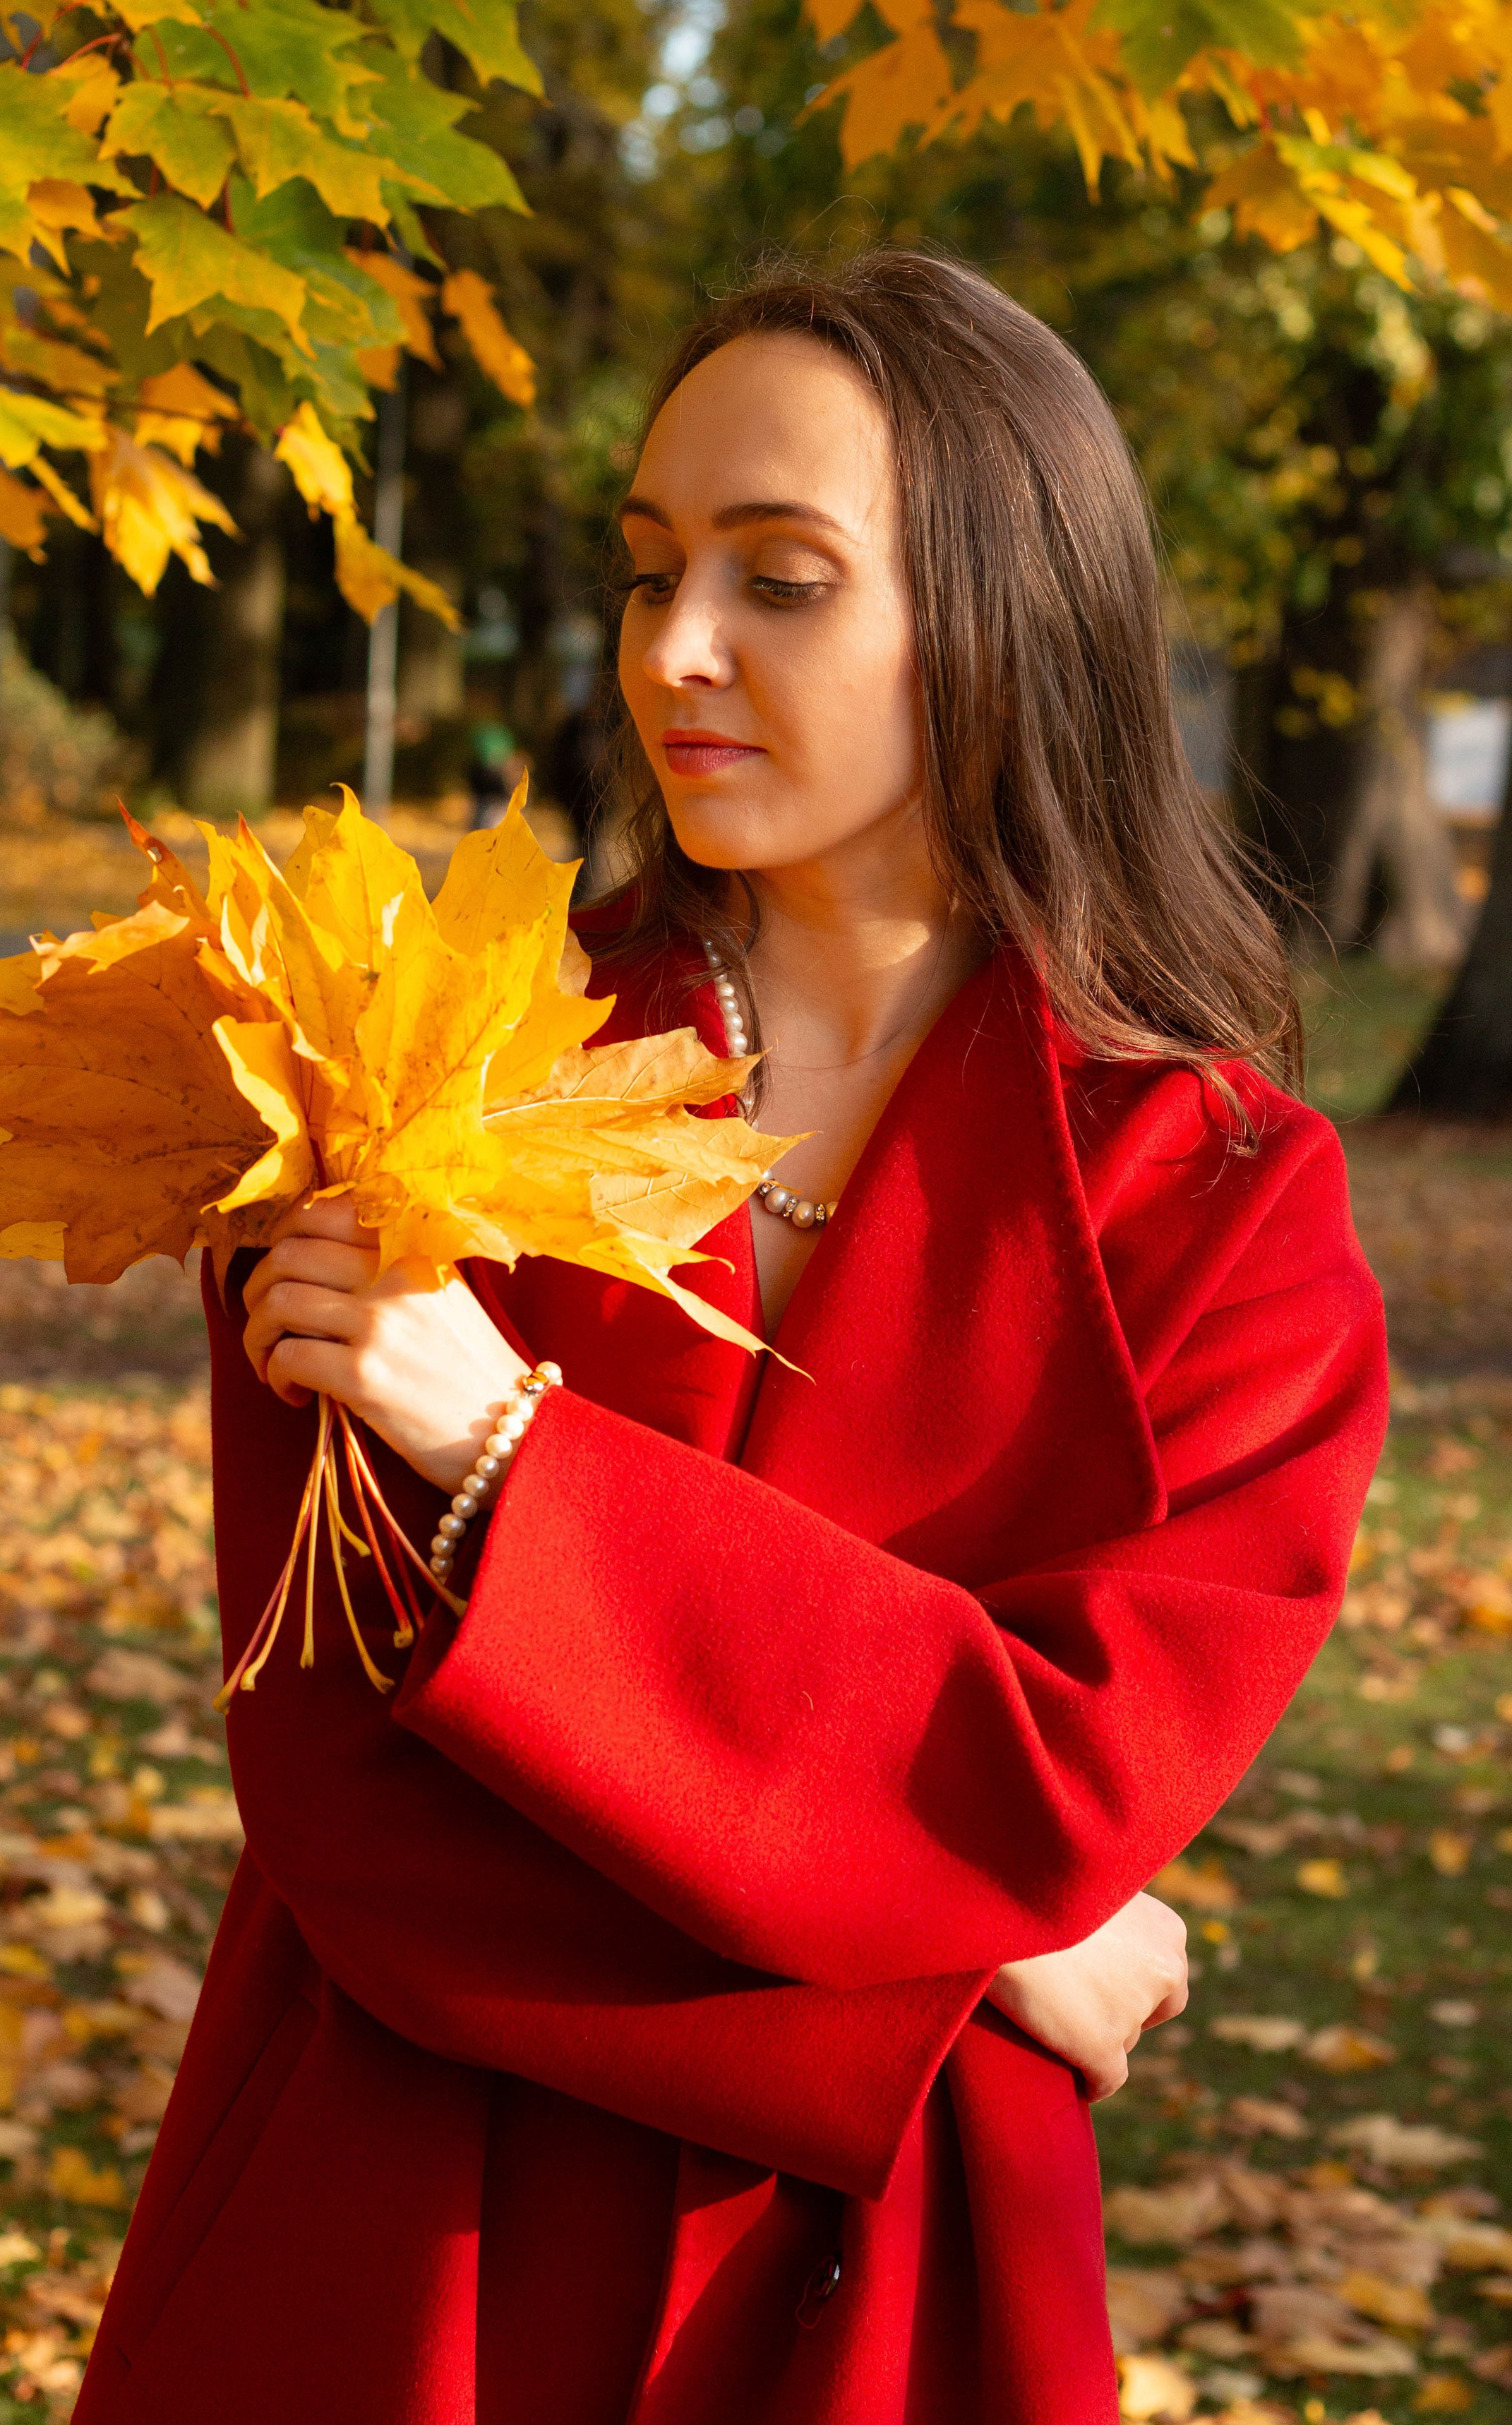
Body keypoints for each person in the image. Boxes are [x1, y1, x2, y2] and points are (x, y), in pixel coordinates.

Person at [75, 251, 1387, 2425]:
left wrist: (506, 1456)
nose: (675, 650)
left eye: (783, 580)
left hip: (885, 2292)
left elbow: (1047, 1779)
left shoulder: (1222, 1206)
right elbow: (352, 1820)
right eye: (651, 569)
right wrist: (950, 1972)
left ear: (1001, 615)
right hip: (398, 2242)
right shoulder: (418, 1071)